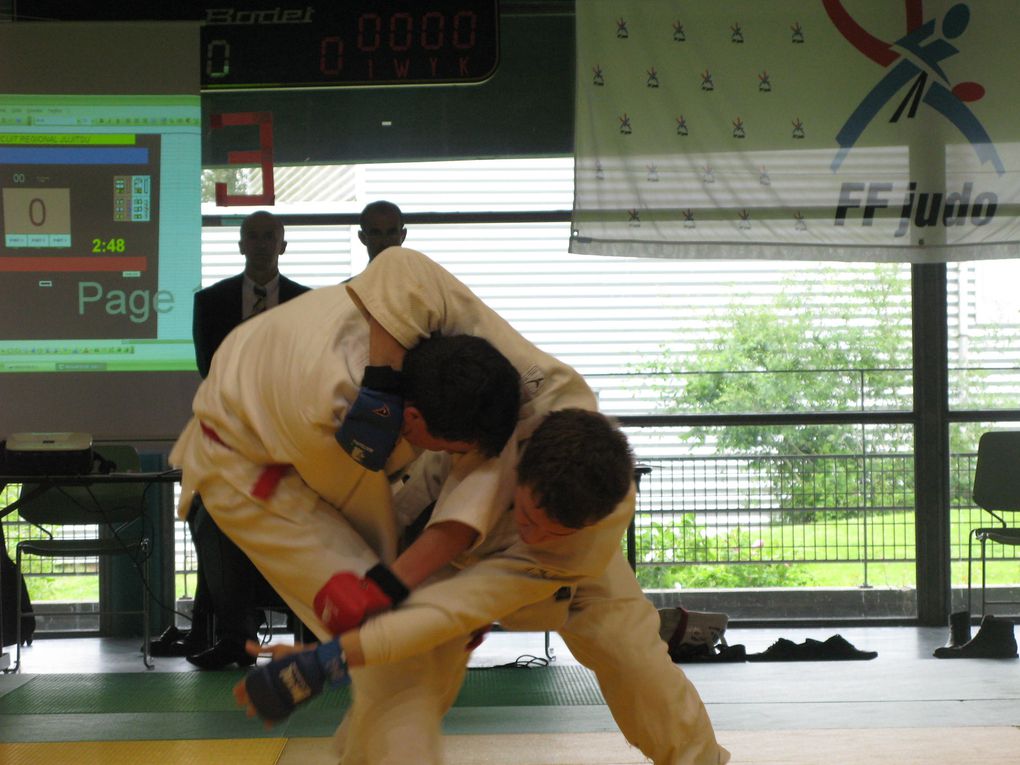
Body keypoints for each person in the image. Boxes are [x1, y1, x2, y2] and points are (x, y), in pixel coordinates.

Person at [234, 247, 730, 765]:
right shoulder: (541, 397)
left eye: (545, 526)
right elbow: (402, 269)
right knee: (404, 691)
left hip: (519, 574)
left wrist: (328, 657)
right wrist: (382, 382)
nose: (532, 529)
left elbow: (456, 598)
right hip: (433, 546)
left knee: (634, 659)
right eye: (527, 514)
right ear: (524, 466)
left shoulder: (573, 541)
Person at [151, 210, 312, 668]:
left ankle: (300, 635)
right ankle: (234, 638)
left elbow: (307, 374)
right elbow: (212, 374)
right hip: (230, 442)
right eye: (252, 237)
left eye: (270, 236)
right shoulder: (212, 302)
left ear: (283, 245)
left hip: (291, 447)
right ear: (240, 245)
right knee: (211, 520)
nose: (261, 244)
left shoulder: (308, 303)